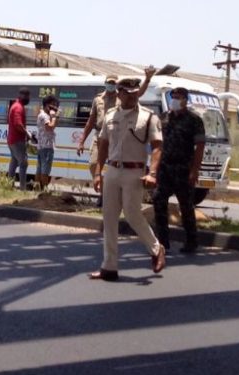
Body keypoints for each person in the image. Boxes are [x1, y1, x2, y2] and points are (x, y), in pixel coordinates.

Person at [90, 78, 165, 281]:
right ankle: (109, 266)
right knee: (109, 218)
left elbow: (157, 146)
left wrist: (153, 173)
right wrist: (98, 173)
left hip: (135, 171)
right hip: (113, 170)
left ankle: (157, 248)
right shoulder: (110, 115)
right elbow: (103, 144)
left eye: (135, 92)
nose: (132, 96)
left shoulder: (148, 117)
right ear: (119, 93)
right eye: (128, 93)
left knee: (132, 214)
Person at [77, 67, 156, 206]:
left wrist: (147, 79)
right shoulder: (98, 100)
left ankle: (109, 197)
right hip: (99, 135)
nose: (111, 85)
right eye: (109, 83)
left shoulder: (122, 98)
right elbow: (91, 121)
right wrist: (82, 140)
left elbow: (138, 93)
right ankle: (103, 191)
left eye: (114, 83)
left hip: (116, 135)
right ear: (105, 83)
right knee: (93, 164)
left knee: (115, 166)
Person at [153, 87, 206, 253]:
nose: (175, 99)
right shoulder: (164, 119)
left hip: (184, 168)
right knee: (158, 199)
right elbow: (156, 143)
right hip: (165, 168)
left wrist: (194, 170)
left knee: (186, 205)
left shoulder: (194, 120)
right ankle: (162, 242)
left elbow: (200, 146)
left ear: (185, 100)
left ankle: (191, 241)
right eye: (173, 97)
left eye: (179, 97)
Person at [7, 88, 31, 191]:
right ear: (22, 96)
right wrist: (27, 133)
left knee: (14, 161)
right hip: (17, 140)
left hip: (12, 139)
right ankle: (22, 188)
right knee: (23, 163)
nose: (29, 98)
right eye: (28, 96)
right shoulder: (18, 108)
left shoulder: (16, 106)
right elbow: (18, 124)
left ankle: (9, 185)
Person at [36, 95, 59, 190]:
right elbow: (49, 127)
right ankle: (44, 190)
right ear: (46, 105)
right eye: (52, 105)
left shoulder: (43, 115)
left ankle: (37, 188)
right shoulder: (44, 116)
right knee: (45, 170)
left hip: (42, 146)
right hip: (46, 146)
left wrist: (55, 117)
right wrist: (54, 117)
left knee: (40, 169)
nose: (54, 107)